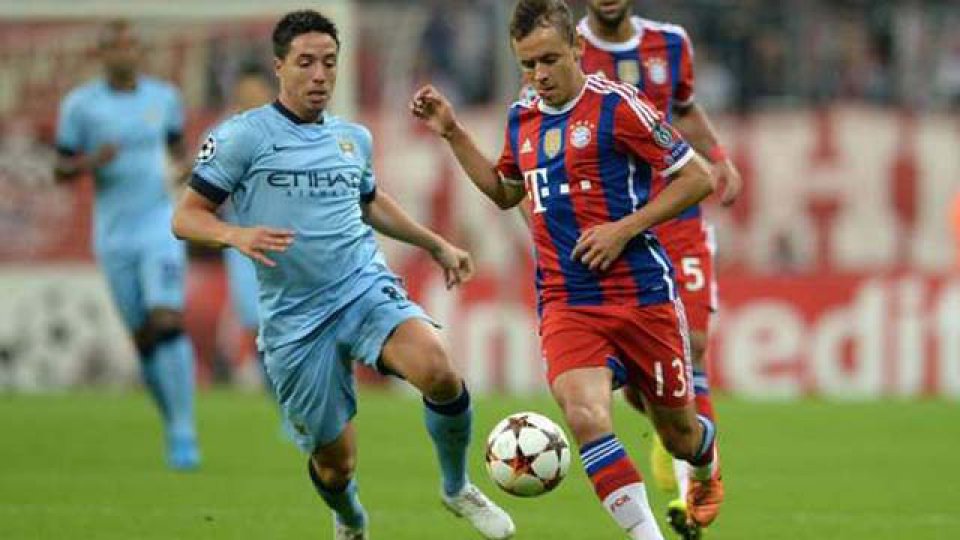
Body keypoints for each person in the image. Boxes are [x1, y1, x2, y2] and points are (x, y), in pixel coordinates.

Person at [171, 10, 514, 540]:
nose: (319, 75)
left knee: (439, 371)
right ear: (279, 66)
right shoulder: (242, 137)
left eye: (329, 63)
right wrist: (235, 235)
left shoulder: (353, 138)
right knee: (336, 465)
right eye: (305, 63)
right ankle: (350, 517)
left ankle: (456, 487)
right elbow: (186, 216)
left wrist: (437, 243)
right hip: (294, 318)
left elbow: (370, 204)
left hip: (360, 286)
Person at [411, 1, 721, 538]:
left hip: (642, 295)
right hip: (567, 301)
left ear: (577, 49)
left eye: (550, 60)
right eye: (527, 65)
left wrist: (624, 228)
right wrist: (452, 132)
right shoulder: (522, 117)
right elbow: (507, 192)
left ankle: (705, 462)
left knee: (678, 435)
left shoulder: (620, 106)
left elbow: (697, 178)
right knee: (583, 416)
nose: (539, 75)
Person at [579, 0, 742, 534]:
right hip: (614, 227)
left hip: (676, 213)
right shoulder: (565, 50)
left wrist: (717, 157)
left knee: (693, 342)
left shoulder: (671, 43)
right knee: (638, 384)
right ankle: (676, 445)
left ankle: (695, 483)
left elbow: (685, 107)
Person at [54, 19, 199, 470]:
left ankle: (184, 430)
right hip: (114, 234)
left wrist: (188, 169)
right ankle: (172, 418)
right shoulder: (81, 106)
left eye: (131, 46)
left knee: (167, 320)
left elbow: (178, 151)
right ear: (101, 55)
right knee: (144, 337)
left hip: (160, 224)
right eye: (115, 47)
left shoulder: (164, 98)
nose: (125, 54)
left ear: (139, 52)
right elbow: (60, 169)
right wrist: (91, 162)